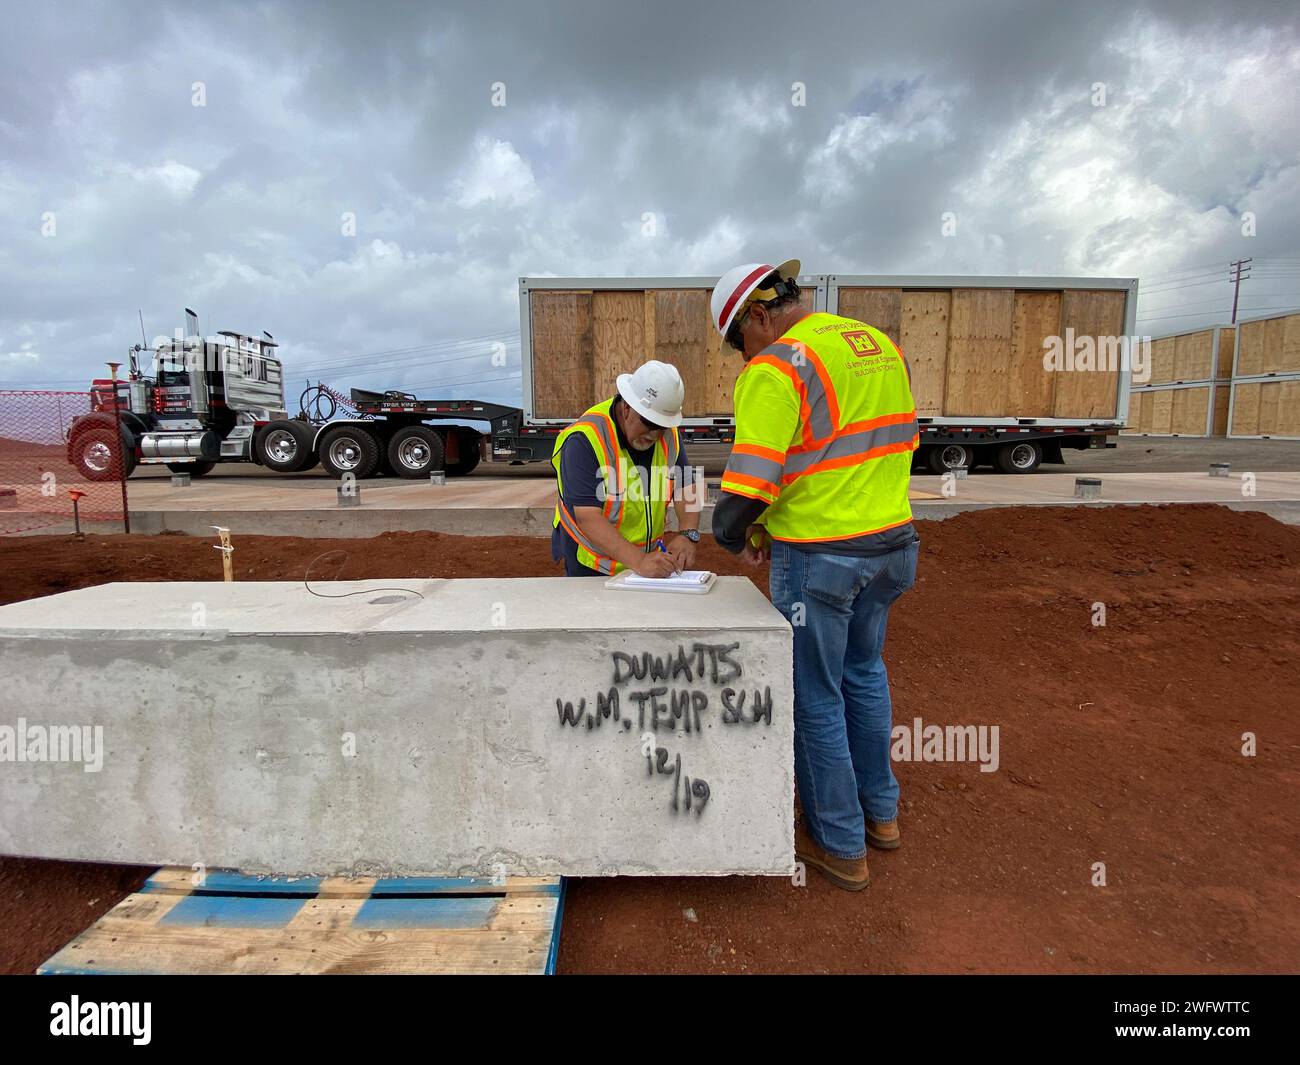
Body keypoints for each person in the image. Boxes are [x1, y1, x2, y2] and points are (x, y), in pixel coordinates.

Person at [710, 259, 920, 891]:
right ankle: (881, 816)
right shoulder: (876, 345)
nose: (743, 357)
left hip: (824, 559)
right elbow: (854, 452)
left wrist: (733, 532)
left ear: (757, 316)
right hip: (894, 543)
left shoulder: (775, 368)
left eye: (738, 342)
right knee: (864, 673)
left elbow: (749, 488)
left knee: (815, 696)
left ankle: (839, 841)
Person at [551, 360, 701, 577]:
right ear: (628, 407)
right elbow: (587, 517)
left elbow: (686, 486)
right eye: (649, 423)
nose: (655, 434)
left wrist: (689, 533)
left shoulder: (668, 435)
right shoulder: (585, 439)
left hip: (643, 564)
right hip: (593, 563)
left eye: (662, 426)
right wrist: (639, 561)